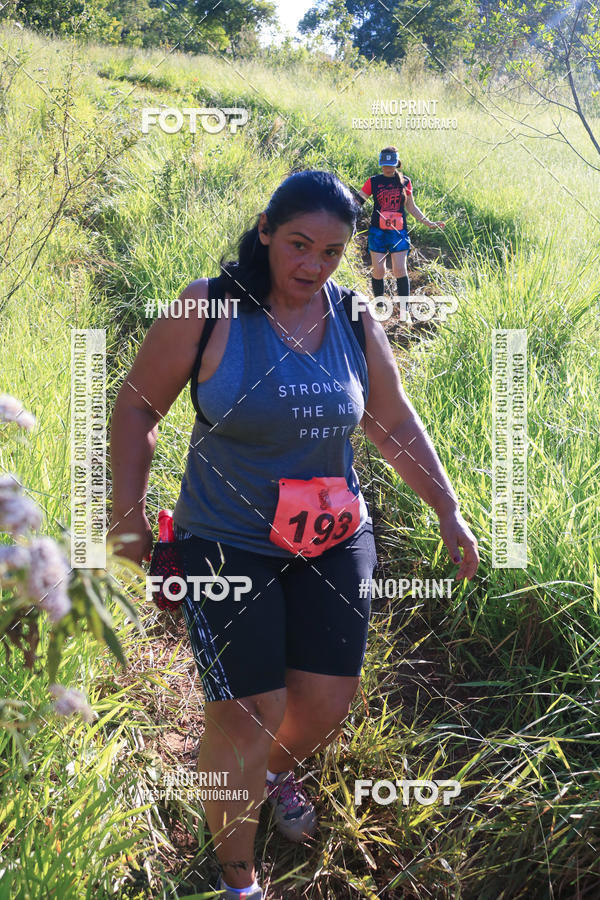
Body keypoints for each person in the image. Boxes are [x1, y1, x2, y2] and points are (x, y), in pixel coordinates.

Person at [108, 169, 479, 900]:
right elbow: (136, 411)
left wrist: (447, 506)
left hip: (334, 535)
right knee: (248, 712)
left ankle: (267, 775)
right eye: (300, 244)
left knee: (324, 705)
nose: (314, 265)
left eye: (335, 251)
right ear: (266, 229)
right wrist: (126, 521)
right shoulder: (208, 308)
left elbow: (392, 421)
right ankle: (239, 876)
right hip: (228, 537)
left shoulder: (350, 314)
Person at [355, 146, 445, 302]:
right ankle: (380, 306)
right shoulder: (373, 182)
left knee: (399, 269)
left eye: (391, 165)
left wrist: (428, 222)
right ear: (381, 164)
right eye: (385, 165)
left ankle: (405, 311)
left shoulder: (405, 182)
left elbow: (411, 207)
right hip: (378, 232)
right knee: (379, 271)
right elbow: (357, 202)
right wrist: (341, 213)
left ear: (397, 164)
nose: (388, 168)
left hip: (398, 232)